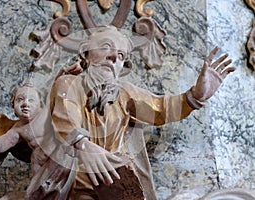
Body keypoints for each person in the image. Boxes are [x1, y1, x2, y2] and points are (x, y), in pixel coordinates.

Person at [49, 25, 236, 199]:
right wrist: (83, 145)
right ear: (86, 53)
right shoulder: (69, 84)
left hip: (117, 178)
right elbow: (65, 118)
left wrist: (195, 96)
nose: (114, 57)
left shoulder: (125, 92)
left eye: (121, 55)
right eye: (106, 47)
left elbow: (161, 108)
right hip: (78, 178)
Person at [0, 62, 83, 200]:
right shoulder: (18, 128)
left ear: (39, 103)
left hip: (58, 159)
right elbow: (6, 141)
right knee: (32, 195)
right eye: (20, 100)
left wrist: (64, 73)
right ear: (13, 105)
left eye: (31, 100)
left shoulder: (45, 113)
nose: (25, 103)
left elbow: (55, 89)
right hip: (40, 167)